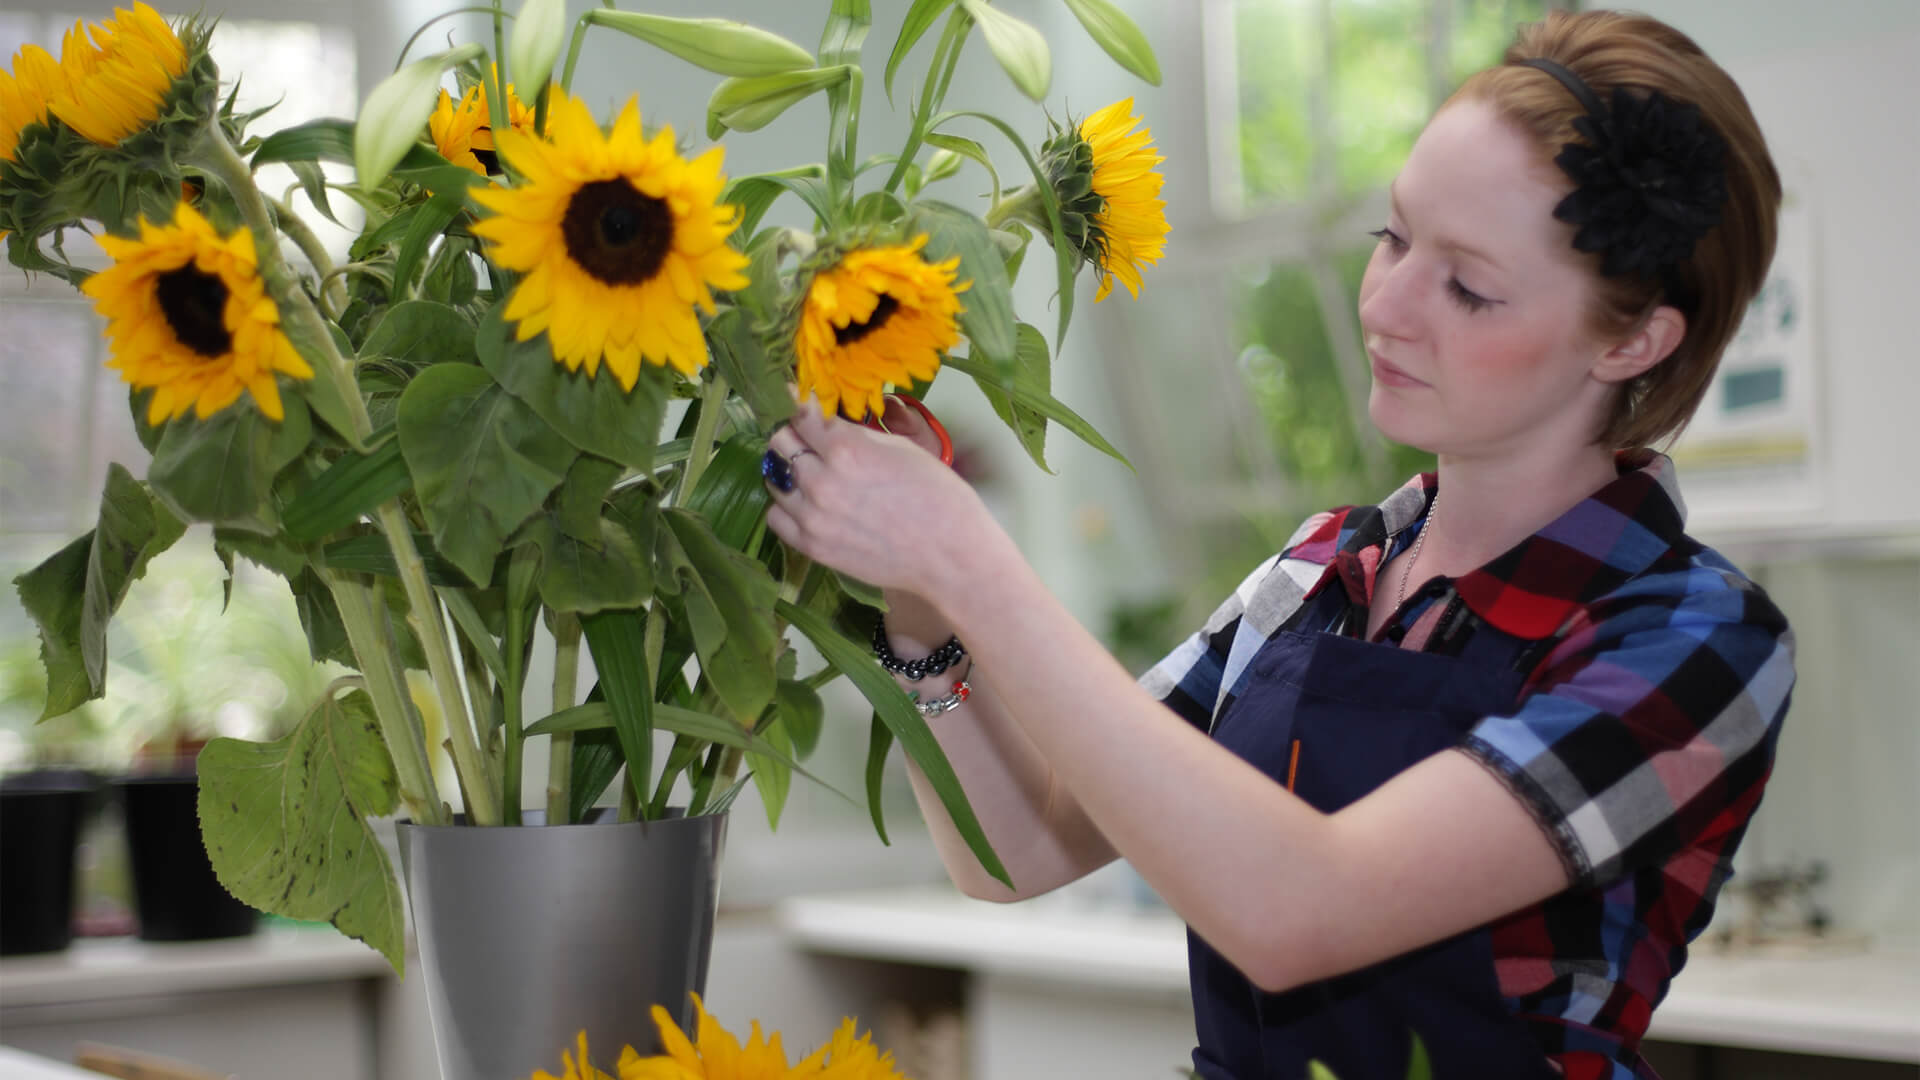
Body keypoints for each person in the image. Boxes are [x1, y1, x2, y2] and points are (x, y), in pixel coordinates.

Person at [761, 9, 1793, 1079]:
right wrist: (919, 607)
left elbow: (1301, 910)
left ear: (1634, 338)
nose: (1388, 306)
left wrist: (971, 561)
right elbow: (1019, 851)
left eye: (1470, 288)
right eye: (1392, 237)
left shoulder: (1693, 638)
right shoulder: (1321, 572)